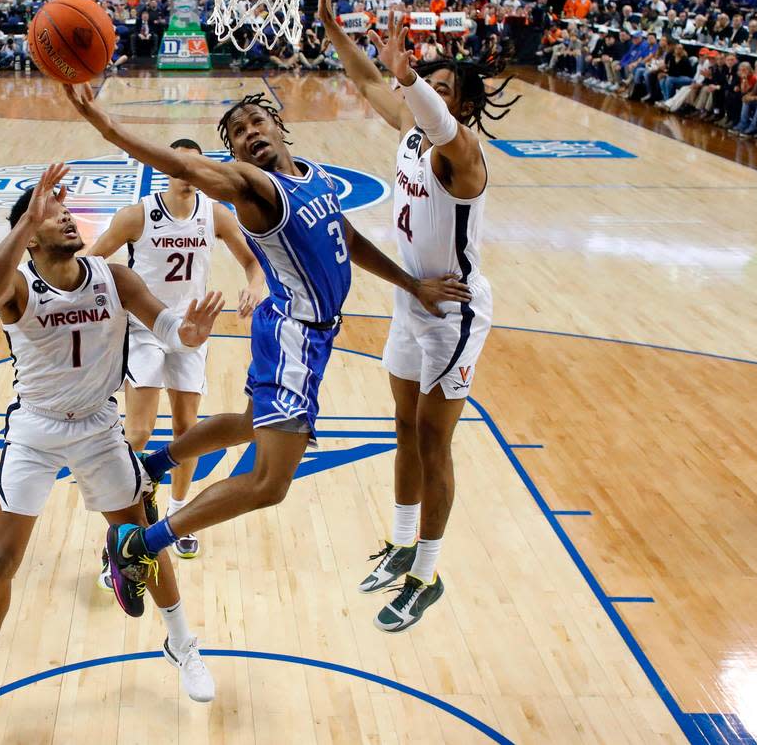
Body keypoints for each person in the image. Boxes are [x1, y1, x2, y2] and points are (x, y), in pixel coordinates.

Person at [65, 76, 472, 621]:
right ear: (234, 156)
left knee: (248, 422)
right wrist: (104, 123)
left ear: (280, 127)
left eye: (256, 122)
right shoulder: (257, 188)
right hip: (293, 336)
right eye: (236, 133)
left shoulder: (316, 178)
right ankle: (141, 544)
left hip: (309, 332)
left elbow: (346, 241)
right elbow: (184, 167)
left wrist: (411, 283)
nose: (249, 133)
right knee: (269, 483)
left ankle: (153, 462)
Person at [0, 164, 221, 735]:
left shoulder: (111, 276)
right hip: (36, 430)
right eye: (54, 215)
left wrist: (187, 335)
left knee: (143, 539)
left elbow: (164, 325)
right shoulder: (18, 286)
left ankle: (181, 644)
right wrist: (26, 220)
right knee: (3, 557)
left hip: (98, 428)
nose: (68, 219)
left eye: (70, 213)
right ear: (29, 231)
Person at [319, 0, 518, 632]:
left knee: (436, 442)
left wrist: (410, 80)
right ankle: (402, 541)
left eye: (442, 88)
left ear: (458, 105)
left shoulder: (464, 154)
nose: (428, 91)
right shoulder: (411, 126)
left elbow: (417, 102)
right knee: (402, 426)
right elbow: (370, 82)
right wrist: (333, 28)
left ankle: (427, 573)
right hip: (413, 299)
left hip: (455, 312)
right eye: (426, 82)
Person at [88, 139, 265, 576]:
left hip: (191, 333)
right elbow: (91, 262)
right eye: (176, 164)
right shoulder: (137, 215)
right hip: (145, 329)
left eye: (192, 165)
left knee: (187, 429)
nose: (184, 172)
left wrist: (254, 284)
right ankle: (124, 526)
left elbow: (253, 261)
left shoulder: (215, 213)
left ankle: (178, 515)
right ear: (164, 169)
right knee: (140, 431)